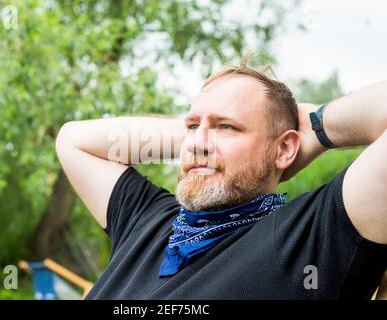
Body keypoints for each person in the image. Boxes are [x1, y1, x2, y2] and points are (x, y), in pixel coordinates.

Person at [55, 55, 387, 299]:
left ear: (286, 148)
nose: (197, 143)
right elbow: (73, 141)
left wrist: (315, 126)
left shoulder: (309, 242)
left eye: (227, 126)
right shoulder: (146, 221)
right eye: (191, 126)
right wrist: (204, 132)